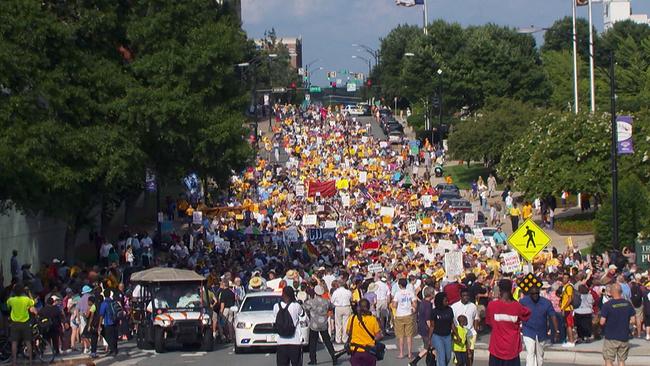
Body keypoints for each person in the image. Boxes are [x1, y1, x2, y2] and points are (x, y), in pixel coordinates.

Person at [486, 279, 531, 366]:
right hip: (512, 348)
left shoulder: (492, 305)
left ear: (499, 290)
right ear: (511, 289)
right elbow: (527, 314)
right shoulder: (517, 306)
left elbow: (489, 323)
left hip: (496, 348)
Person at [519, 286, 559, 366]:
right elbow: (518, 313)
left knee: (539, 355)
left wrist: (556, 330)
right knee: (530, 352)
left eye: (537, 293)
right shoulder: (523, 301)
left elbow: (552, 315)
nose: (535, 295)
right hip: (528, 330)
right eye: (533, 294)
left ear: (539, 293)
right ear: (530, 294)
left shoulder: (546, 302)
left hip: (541, 332)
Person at [599, 283, 636, 366]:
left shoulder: (607, 305)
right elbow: (633, 320)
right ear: (621, 292)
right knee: (622, 360)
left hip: (611, 336)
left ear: (611, 292)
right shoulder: (627, 304)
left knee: (609, 360)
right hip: (624, 336)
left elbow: (602, 322)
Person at [303, 285, 337, 365]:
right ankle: (334, 357)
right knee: (327, 341)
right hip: (324, 324)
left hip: (314, 325)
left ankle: (313, 360)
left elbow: (304, 307)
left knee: (313, 343)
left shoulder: (311, 302)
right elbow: (332, 307)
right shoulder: (327, 301)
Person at [346, 299, 383, 366]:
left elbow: (348, 332)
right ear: (368, 307)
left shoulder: (352, 318)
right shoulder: (372, 319)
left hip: (355, 351)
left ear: (359, 307)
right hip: (369, 351)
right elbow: (378, 336)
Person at [6, 285, 37, 366]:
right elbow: (33, 302)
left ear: (14, 292)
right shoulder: (26, 299)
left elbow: (7, 304)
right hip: (25, 323)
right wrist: (29, 292)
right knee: (28, 342)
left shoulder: (11, 300)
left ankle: (14, 362)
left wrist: (12, 292)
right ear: (22, 291)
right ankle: (30, 362)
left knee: (14, 343)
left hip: (15, 324)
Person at [273, 287, 303, 366]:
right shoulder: (296, 306)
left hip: (281, 341)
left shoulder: (276, 306)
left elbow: (275, 317)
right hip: (295, 341)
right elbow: (302, 315)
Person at [451, 289, 479, 366]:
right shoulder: (454, 306)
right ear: (461, 296)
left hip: (470, 333)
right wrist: (455, 334)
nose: (466, 297)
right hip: (459, 334)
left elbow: (476, 319)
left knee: (470, 355)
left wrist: (475, 330)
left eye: (467, 295)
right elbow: (451, 321)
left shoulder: (473, 306)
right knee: (459, 357)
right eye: (464, 296)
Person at [392, 278, 417, 359]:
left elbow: (394, 305)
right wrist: (412, 308)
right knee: (409, 335)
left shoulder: (397, 293)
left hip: (399, 315)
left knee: (401, 336)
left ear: (399, 285)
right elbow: (414, 303)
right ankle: (410, 353)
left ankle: (401, 353)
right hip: (408, 314)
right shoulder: (410, 292)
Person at [428, 292, 455, 366]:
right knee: (441, 356)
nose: (447, 302)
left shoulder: (449, 310)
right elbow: (432, 326)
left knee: (448, 357)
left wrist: (457, 335)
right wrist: (429, 339)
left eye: (447, 300)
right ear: (440, 301)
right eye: (445, 301)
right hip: (437, 336)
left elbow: (452, 323)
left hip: (448, 336)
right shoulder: (434, 312)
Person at [98, 289, 118, 356]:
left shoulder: (104, 303)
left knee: (107, 336)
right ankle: (114, 349)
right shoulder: (113, 301)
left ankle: (113, 349)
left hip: (108, 322)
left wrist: (99, 324)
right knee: (114, 336)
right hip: (115, 321)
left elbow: (101, 315)